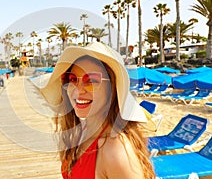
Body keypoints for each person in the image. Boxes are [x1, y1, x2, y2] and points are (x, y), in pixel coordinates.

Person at [40, 42, 155, 179]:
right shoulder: (83, 130)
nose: (78, 89)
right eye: (72, 79)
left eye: (92, 80)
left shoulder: (115, 150)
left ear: (112, 89)